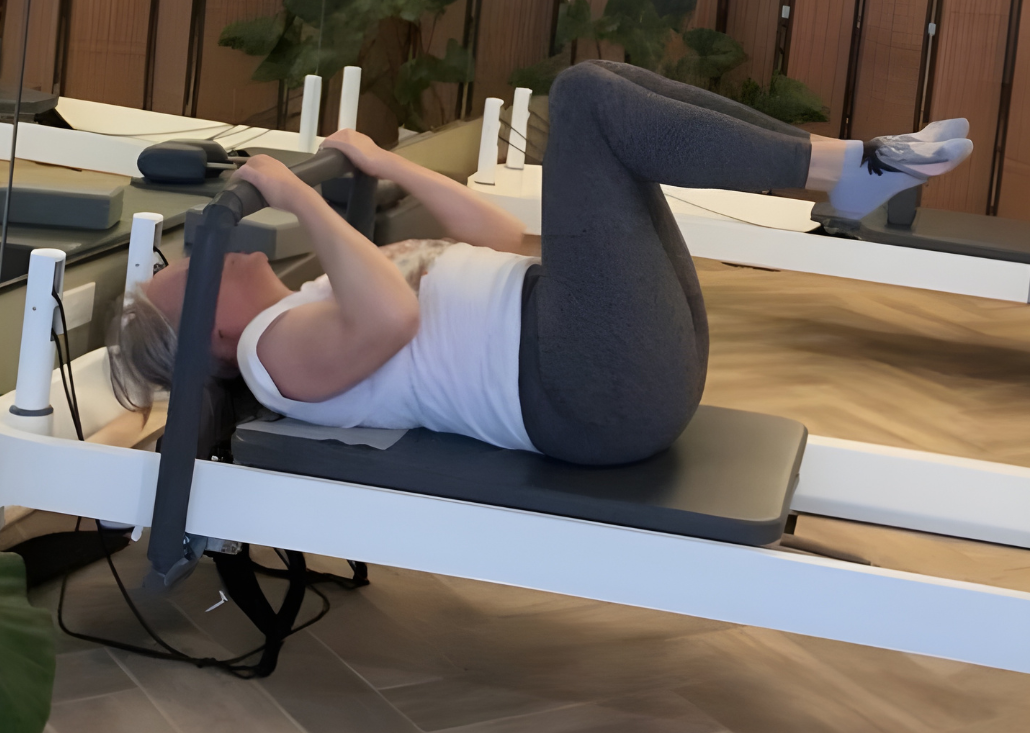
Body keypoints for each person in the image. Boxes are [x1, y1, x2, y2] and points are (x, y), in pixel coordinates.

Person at [111, 60, 971, 466]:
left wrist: (384, 165)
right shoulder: (269, 360)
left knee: (602, 80)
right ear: (207, 335)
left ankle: (849, 166)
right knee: (591, 102)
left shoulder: (314, 298)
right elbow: (396, 318)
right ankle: (847, 174)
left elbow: (492, 235)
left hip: (597, 354)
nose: (196, 255)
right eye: (181, 275)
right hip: (589, 391)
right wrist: (301, 199)